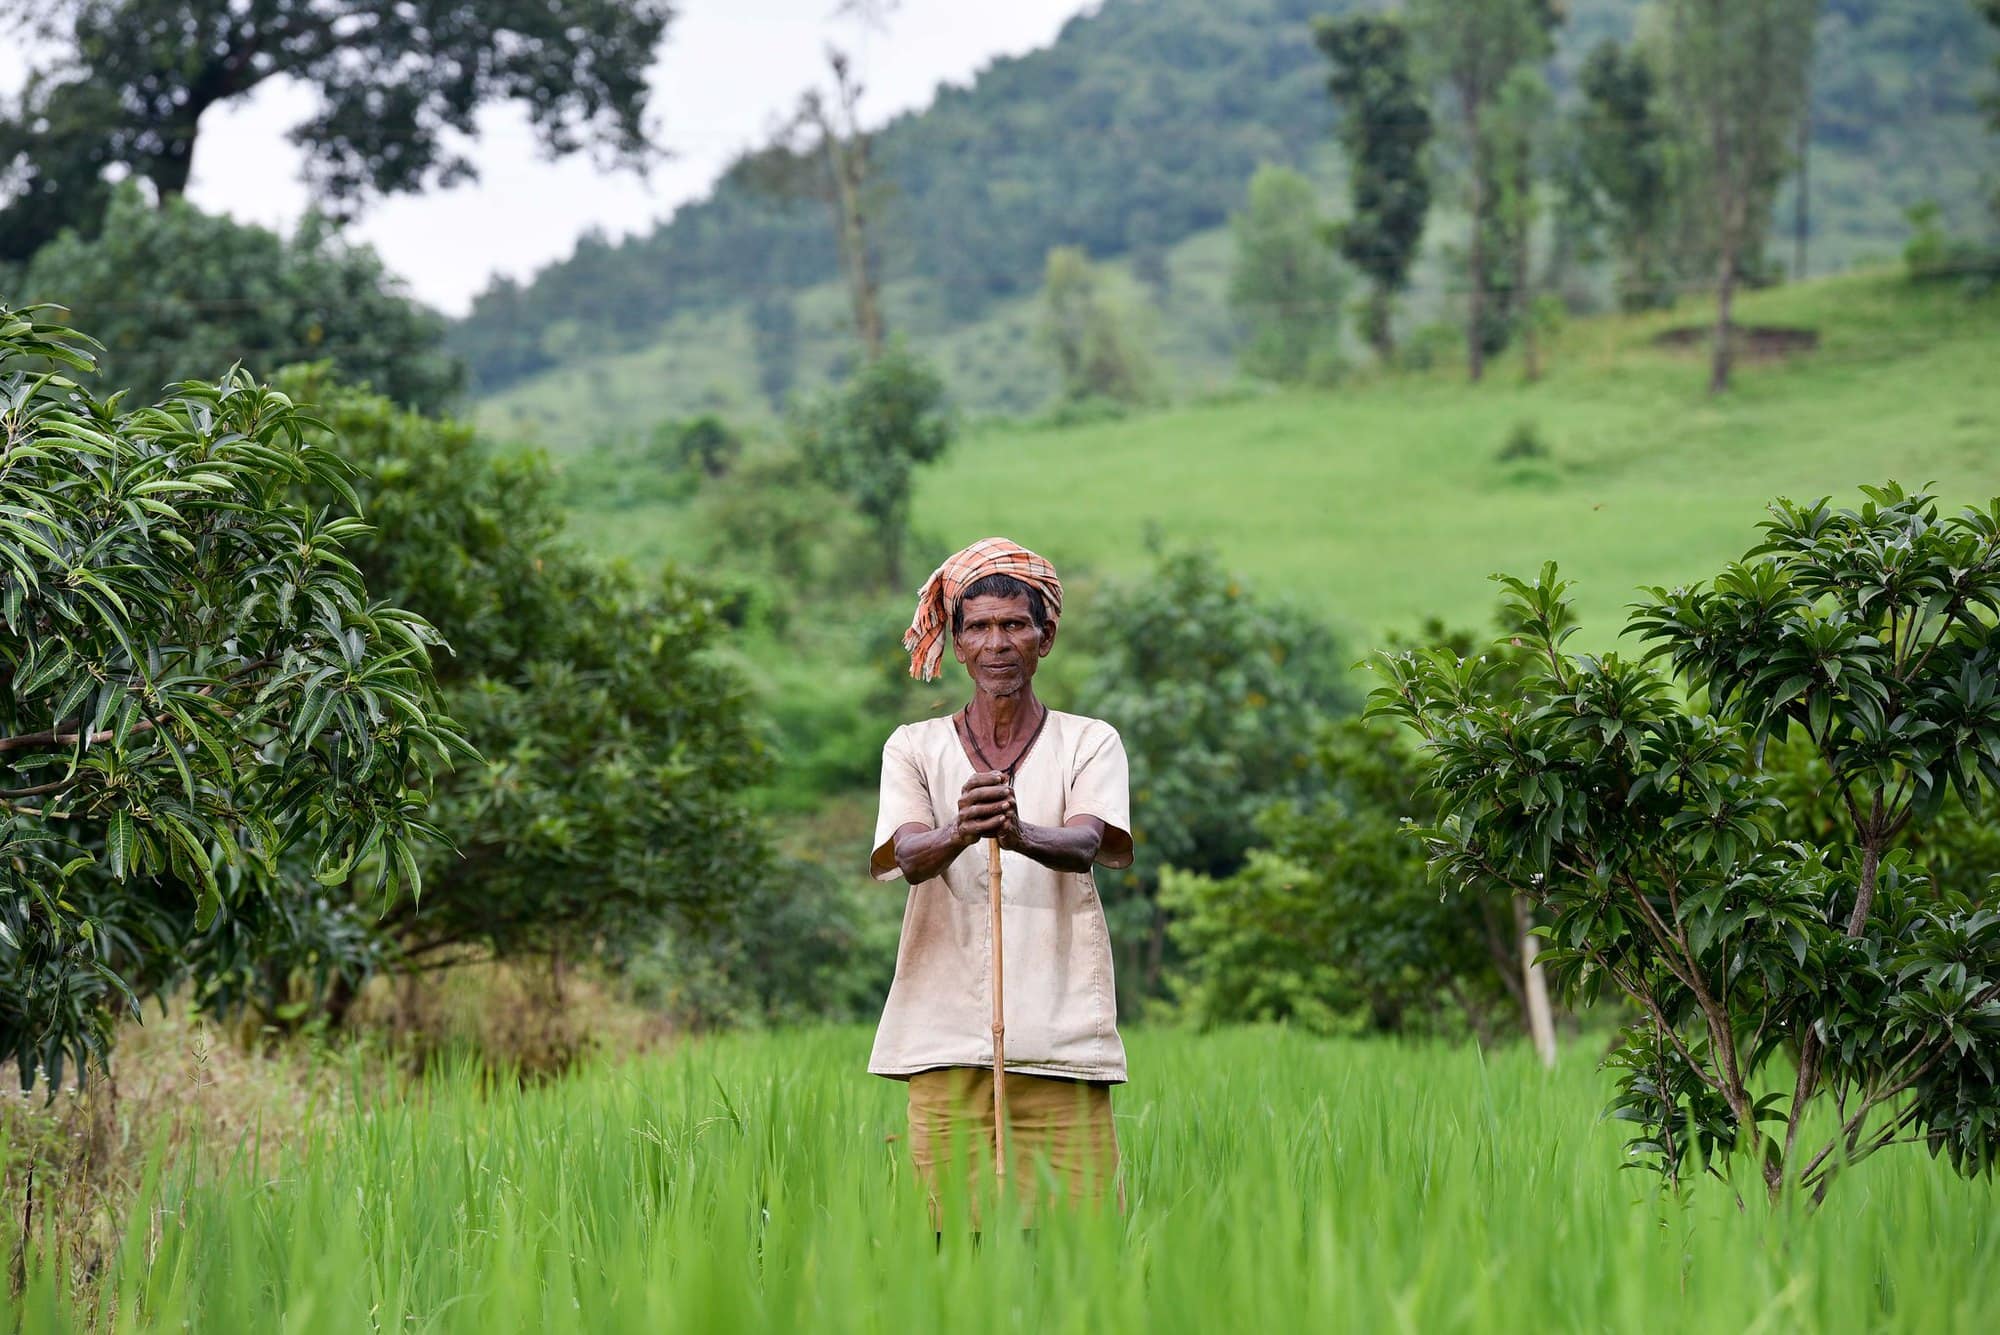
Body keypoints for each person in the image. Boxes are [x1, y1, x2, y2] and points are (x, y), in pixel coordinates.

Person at [869, 537, 1133, 1223]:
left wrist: (1019, 834)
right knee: (946, 1242)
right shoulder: (914, 747)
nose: (998, 642)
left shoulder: (1088, 741)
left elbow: (1088, 841)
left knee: (1082, 1243)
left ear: (1045, 637)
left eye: (1015, 625)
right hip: (943, 1039)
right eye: (980, 626)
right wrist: (961, 831)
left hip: (1061, 1042)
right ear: (957, 643)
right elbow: (906, 854)